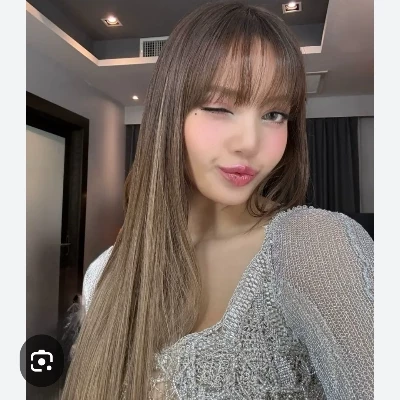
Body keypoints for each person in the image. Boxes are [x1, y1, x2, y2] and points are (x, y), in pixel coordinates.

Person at [61, 1, 374, 399]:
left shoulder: (312, 246)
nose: (250, 143)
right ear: (170, 115)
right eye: (219, 107)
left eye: (275, 114)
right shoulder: (106, 273)